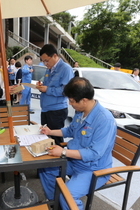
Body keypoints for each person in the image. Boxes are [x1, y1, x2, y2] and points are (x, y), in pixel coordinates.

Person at [39, 77, 117, 210]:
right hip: (74, 161)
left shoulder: (104, 120)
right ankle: (56, 204)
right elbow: (70, 130)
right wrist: (50, 131)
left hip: (94, 169)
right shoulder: (81, 112)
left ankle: (64, 202)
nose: (70, 104)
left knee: (67, 194)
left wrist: (63, 152)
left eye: (72, 101)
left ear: (84, 100)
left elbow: (94, 153)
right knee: (45, 169)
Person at [36, 44, 74, 145]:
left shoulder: (66, 69)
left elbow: (66, 90)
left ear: (55, 56)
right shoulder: (49, 68)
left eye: (46, 60)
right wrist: (41, 86)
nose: (45, 64)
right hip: (46, 109)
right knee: (46, 138)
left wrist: (47, 89)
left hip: (56, 111)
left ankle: (58, 160)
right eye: (43, 61)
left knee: (56, 140)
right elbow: (49, 85)